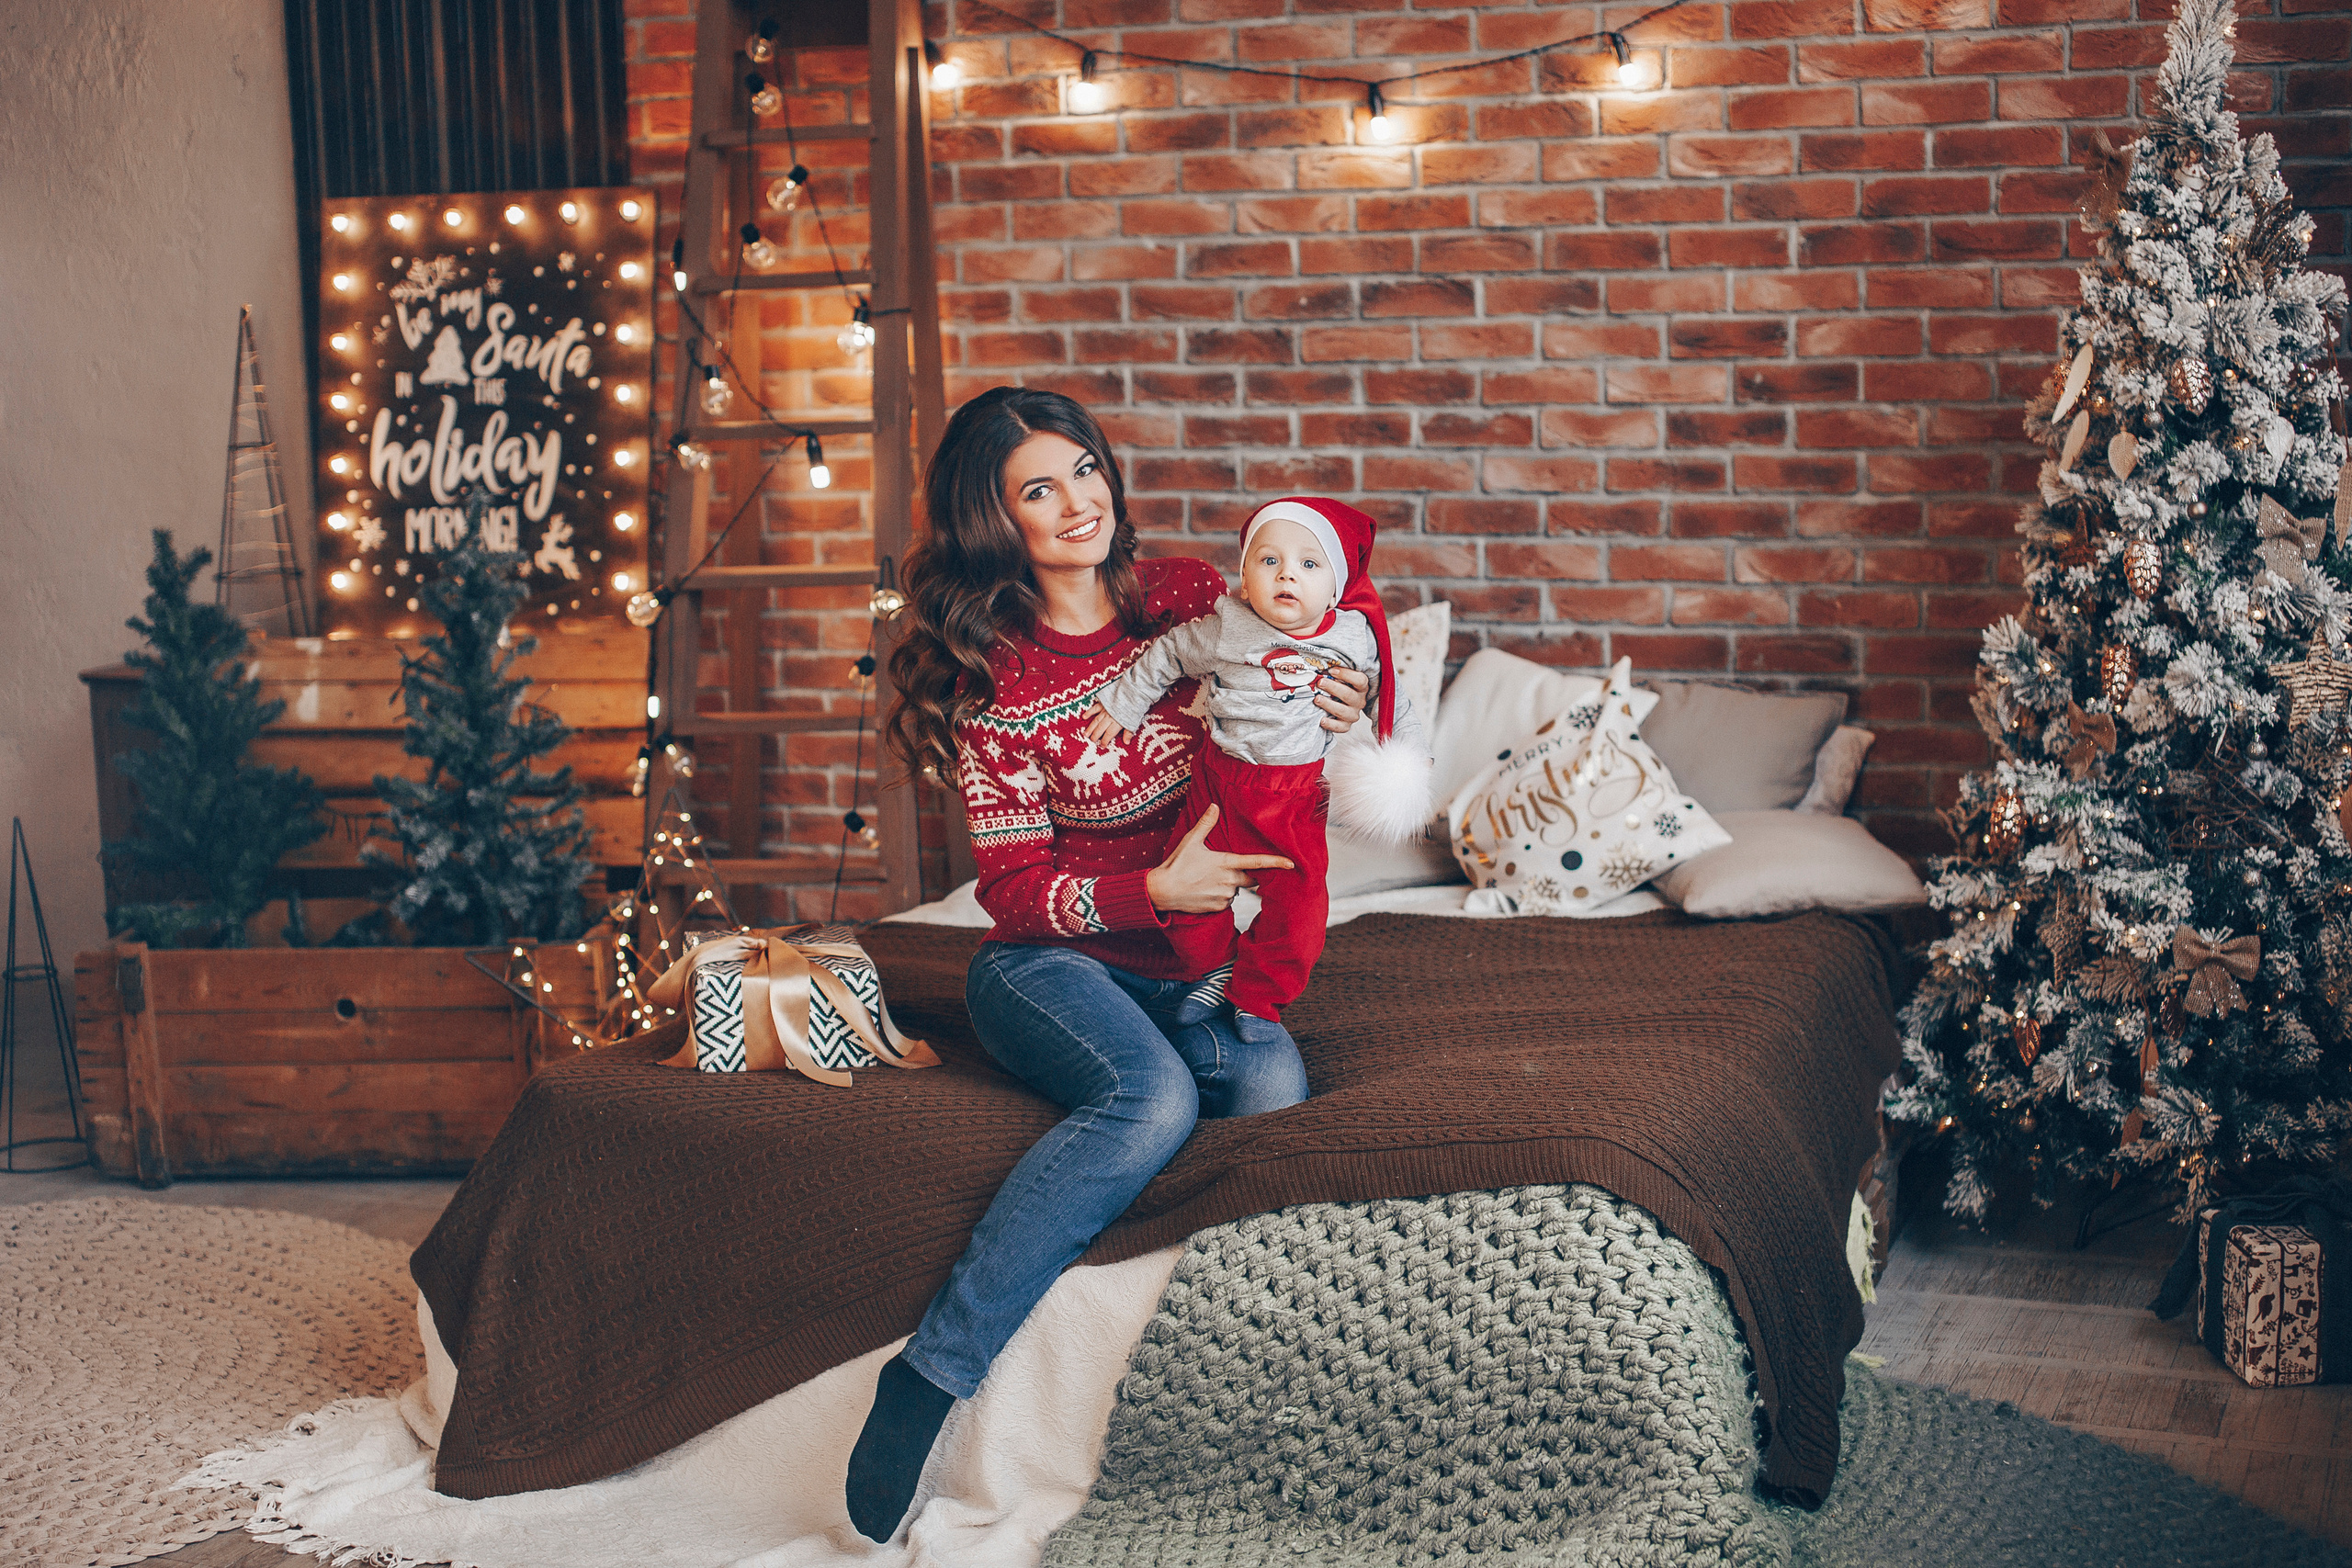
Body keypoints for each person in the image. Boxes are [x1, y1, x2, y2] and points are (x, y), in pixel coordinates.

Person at [855, 387, 1371, 1541]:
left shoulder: (1192, 593)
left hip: (1196, 958)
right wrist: (1152, 888)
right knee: (1152, 1097)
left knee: (1272, 1091)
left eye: (1083, 468)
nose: (1078, 502)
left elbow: (1328, 625)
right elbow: (1011, 889)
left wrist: (1351, 690)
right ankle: (931, 1374)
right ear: (997, 521)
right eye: (1038, 489)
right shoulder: (993, 673)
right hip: (1048, 960)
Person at [1082, 496, 1425, 1027]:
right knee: (1180, 893)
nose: (1287, 574)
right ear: (1244, 578)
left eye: (1309, 564)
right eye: (1269, 561)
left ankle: (1256, 1001)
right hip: (1219, 785)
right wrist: (1126, 701)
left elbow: (1392, 696)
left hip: (1294, 796)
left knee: (1302, 915)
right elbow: (1169, 654)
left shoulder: (1354, 640)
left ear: (1335, 587)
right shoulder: (1227, 628)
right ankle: (1217, 967)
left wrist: (1409, 754)